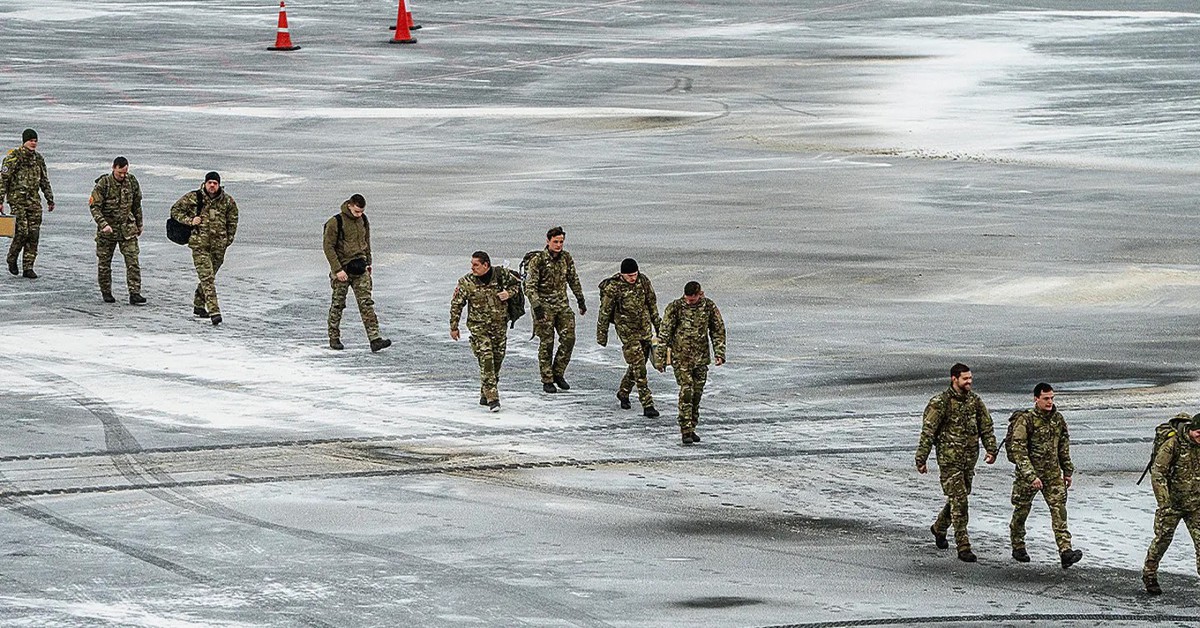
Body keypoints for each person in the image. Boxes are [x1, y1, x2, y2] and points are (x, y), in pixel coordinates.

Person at [915, 363, 998, 562]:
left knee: (958, 498)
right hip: (949, 460)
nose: (969, 381)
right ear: (954, 379)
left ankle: (939, 527)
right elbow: (928, 431)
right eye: (965, 378)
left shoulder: (975, 402)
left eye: (970, 378)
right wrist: (922, 458)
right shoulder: (940, 403)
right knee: (960, 501)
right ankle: (963, 546)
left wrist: (991, 449)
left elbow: (986, 426)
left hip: (969, 460)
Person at [1008, 383, 1082, 568]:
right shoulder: (1026, 420)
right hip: (1028, 476)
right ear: (1036, 399)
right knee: (1021, 511)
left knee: (1059, 510)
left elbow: (1063, 447)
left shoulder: (1058, 419)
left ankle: (1065, 551)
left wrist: (1067, 470)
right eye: (1046, 398)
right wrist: (1031, 476)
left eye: (1052, 398)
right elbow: (1019, 450)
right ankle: (1018, 545)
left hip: (1052, 475)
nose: (1050, 402)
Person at [450, 251, 520, 411]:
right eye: (472, 264)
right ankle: (493, 398)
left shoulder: (501, 275)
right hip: (478, 327)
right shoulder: (466, 282)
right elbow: (456, 304)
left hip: (499, 326)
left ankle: (485, 391)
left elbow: (517, 285)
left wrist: (509, 293)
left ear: (486, 265)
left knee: (497, 359)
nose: (472, 268)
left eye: (476, 265)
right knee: (487, 358)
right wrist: (454, 326)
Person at [657, 281, 725, 445]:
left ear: (699, 294)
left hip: (701, 359)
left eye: (692, 300)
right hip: (681, 359)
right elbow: (664, 333)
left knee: (697, 394)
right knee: (686, 391)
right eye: (687, 299)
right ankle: (685, 430)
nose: (689, 302)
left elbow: (717, 330)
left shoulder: (708, 307)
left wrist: (720, 353)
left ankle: (692, 426)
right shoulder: (675, 307)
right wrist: (660, 358)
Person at [322, 194, 390, 352]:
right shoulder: (335, 222)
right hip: (342, 269)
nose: (359, 214)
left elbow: (366, 242)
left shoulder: (363, 220)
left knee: (366, 303)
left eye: (361, 211)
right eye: (357, 211)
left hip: (360, 268)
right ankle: (334, 337)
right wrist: (337, 269)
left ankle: (374, 339)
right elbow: (328, 247)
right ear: (350, 206)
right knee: (338, 304)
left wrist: (368, 263)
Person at [1142, 413, 1200, 595]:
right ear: (1191, 430)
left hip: (1196, 504)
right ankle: (1149, 575)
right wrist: (1164, 502)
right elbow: (1158, 474)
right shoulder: (1173, 444)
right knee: (1162, 540)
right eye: (1199, 432)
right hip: (1172, 504)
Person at [170, 171, 238, 326]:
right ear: (205, 183)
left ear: (219, 185)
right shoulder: (194, 198)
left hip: (219, 246)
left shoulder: (227, 201)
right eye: (210, 183)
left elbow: (233, 221)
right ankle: (214, 311)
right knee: (207, 278)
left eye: (215, 183)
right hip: (199, 245)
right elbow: (175, 211)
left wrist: (228, 239)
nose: (212, 185)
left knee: (210, 276)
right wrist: (190, 220)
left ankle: (198, 305)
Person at [596, 258, 661, 417]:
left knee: (638, 364)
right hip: (627, 332)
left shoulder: (643, 281)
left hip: (644, 329)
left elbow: (652, 305)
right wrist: (602, 334)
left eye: (634, 274)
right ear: (622, 274)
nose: (633, 278)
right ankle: (647, 403)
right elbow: (604, 312)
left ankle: (623, 392)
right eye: (629, 275)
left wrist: (660, 328)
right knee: (639, 367)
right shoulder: (614, 287)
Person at [525, 226, 586, 393]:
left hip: (562, 305)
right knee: (547, 343)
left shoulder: (566, 258)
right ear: (548, 241)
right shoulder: (538, 260)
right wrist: (537, 307)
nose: (559, 245)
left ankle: (558, 372)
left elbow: (573, 279)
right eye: (555, 242)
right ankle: (547, 379)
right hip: (543, 306)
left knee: (569, 339)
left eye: (561, 242)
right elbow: (529, 286)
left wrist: (580, 299)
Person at [88, 156, 145, 305]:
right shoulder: (103, 184)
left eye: (125, 172)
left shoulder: (131, 181)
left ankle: (135, 292)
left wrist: (139, 224)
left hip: (127, 228)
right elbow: (95, 207)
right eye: (120, 172)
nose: (122, 175)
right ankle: (106, 291)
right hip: (108, 230)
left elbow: (136, 204)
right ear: (113, 168)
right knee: (105, 263)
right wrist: (103, 224)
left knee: (133, 261)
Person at [2, 129, 54, 278]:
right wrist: (0, 200)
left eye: (35, 140)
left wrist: (50, 198)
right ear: (24, 141)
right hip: (17, 200)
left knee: (33, 234)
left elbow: (44, 180)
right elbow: (3, 180)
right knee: (22, 231)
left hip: (33, 201)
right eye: (31, 140)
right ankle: (12, 257)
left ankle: (28, 267)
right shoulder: (13, 158)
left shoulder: (38, 159)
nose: (33, 143)